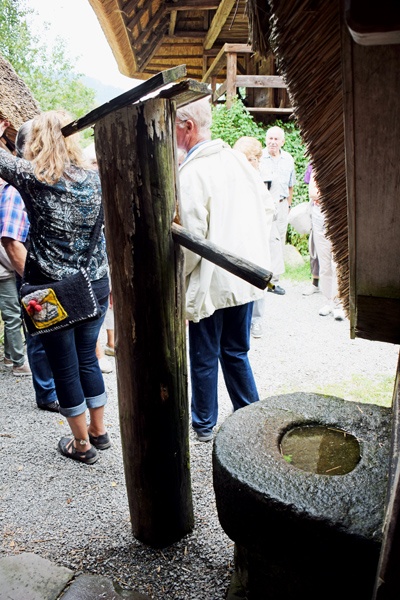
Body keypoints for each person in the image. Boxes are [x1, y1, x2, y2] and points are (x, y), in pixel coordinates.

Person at [0, 112, 111, 464]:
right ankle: (99, 430)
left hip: (51, 291)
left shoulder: (32, 178)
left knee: (63, 367)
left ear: (35, 143)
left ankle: (81, 446)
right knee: (88, 359)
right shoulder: (95, 179)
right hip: (95, 284)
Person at [176, 98, 275, 441]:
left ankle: (204, 424)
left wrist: (180, 281)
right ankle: (251, 416)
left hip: (211, 278)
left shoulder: (192, 173)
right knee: (236, 350)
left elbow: (191, 238)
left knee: (204, 355)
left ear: (187, 127)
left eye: (174, 125)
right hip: (244, 273)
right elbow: (265, 210)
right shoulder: (238, 161)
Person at [1, 134, 60, 410]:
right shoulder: (17, 190)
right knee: (38, 333)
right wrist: (34, 281)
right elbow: (12, 242)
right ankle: (47, 393)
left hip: (45, 272)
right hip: (32, 275)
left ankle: (55, 387)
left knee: (51, 330)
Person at [232, 136, 283, 339]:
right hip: (239, 239)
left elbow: (274, 207)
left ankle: (257, 321)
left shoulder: (267, 178)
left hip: (262, 235)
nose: (248, 163)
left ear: (257, 159)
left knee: (259, 275)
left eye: (251, 159)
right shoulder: (233, 179)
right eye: (243, 159)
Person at [83, 142, 115, 374]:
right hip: (89, 267)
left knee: (109, 305)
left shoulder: (108, 189)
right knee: (91, 312)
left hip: (107, 260)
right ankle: (98, 353)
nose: (97, 168)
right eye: (93, 163)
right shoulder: (81, 191)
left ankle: (111, 344)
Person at [260, 126, 296, 296]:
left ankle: (274, 282)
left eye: (276, 139)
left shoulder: (288, 159)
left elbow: (290, 186)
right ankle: (262, 277)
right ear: (265, 139)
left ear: (282, 141)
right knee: (266, 240)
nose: (273, 142)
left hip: (282, 205)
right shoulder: (259, 157)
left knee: (279, 241)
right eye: (270, 138)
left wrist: (288, 206)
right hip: (264, 206)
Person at [309, 170, 345, 321]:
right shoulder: (316, 170)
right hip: (319, 222)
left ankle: (338, 304)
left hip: (338, 223)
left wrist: (323, 195)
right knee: (324, 265)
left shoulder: (341, 169)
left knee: (336, 264)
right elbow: (313, 193)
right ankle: (327, 302)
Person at [0, 241, 31, 375]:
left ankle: (9, 357)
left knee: (11, 315)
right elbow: (7, 249)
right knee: (13, 316)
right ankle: (19, 363)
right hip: (4, 274)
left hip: (6, 272)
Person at [302, 162, 320, 296]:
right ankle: (315, 283)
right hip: (317, 211)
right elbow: (312, 192)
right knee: (315, 248)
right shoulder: (313, 164)